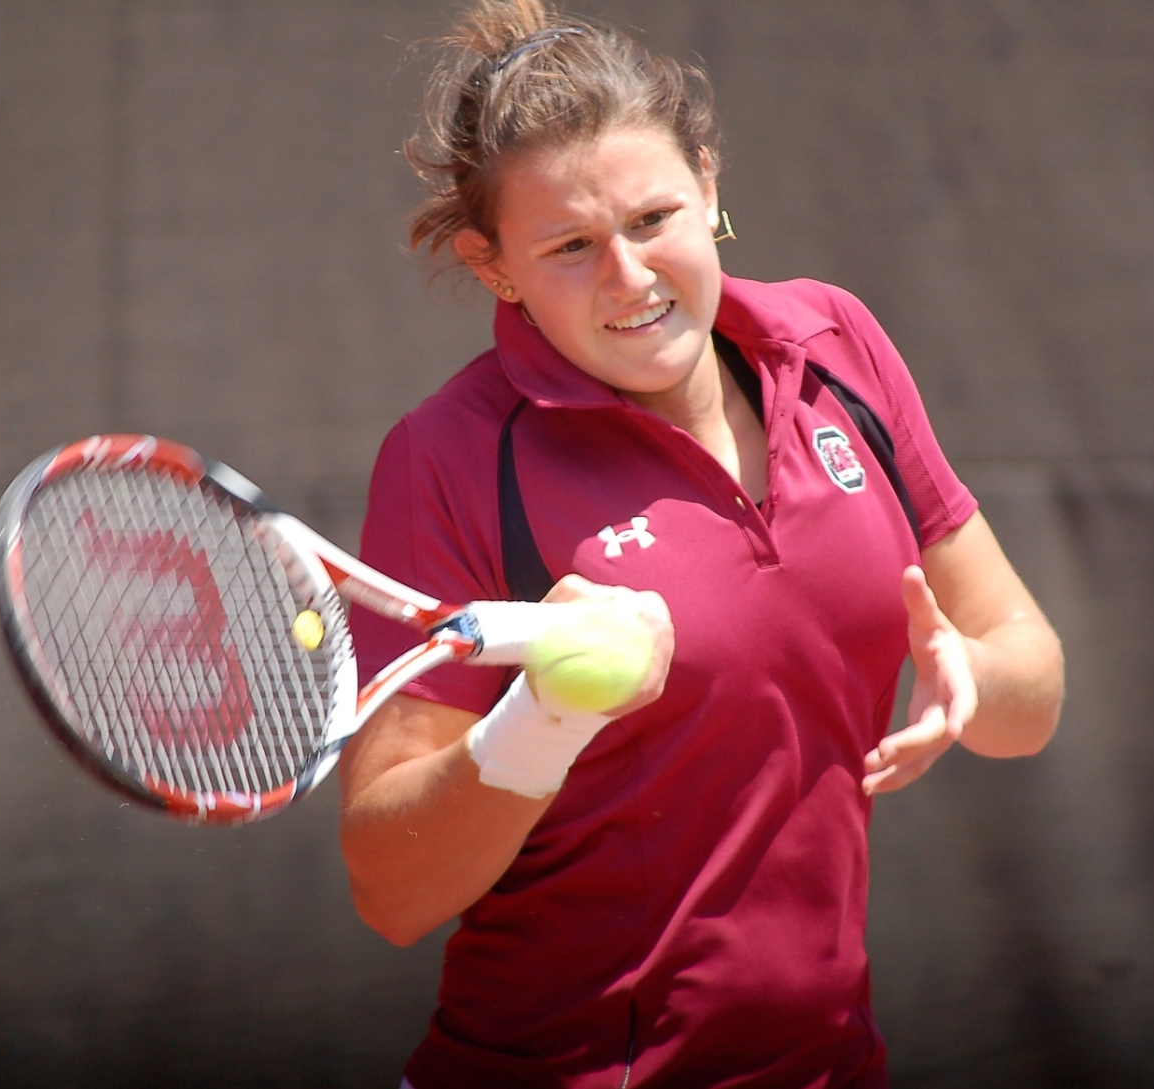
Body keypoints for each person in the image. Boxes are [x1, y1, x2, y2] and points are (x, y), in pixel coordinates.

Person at [338, 2, 1065, 1085]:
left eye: (651, 219)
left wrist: (968, 678)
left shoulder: (835, 346)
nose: (629, 277)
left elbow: (1028, 690)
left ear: (710, 186)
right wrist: (544, 717)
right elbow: (391, 893)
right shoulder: (447, 457)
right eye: (570, 247)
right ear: (493, 267)